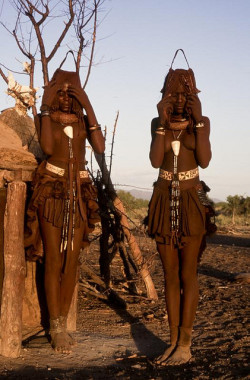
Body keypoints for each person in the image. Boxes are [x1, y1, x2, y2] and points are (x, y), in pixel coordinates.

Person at [25, 67, 105, 353]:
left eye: (73, 95)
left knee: (72, 261)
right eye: (62, 93)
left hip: (79, 194)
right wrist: (46, 105)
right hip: (52, 192)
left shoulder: (83, 123)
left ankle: (60, 320)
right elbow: (47, 147)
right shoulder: (44, 118)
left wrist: (88, 103)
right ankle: (56, 328)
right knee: (54, 260)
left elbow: (98, 148)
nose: (67, 100)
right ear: (53, 95)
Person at [146, 50, 214, 365]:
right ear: (164, 94)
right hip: (163, 199)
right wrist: (162, 124)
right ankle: (172, 342)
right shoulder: (156, 123)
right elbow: (155, 161)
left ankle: (185, 344)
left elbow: (205, 160)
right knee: (170, 275)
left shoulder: (202, 123)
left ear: (194, 95)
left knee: (189, 274)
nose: (180, 98)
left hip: (190, 201)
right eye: (174, 92)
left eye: (185, 93)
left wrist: (197, 121)